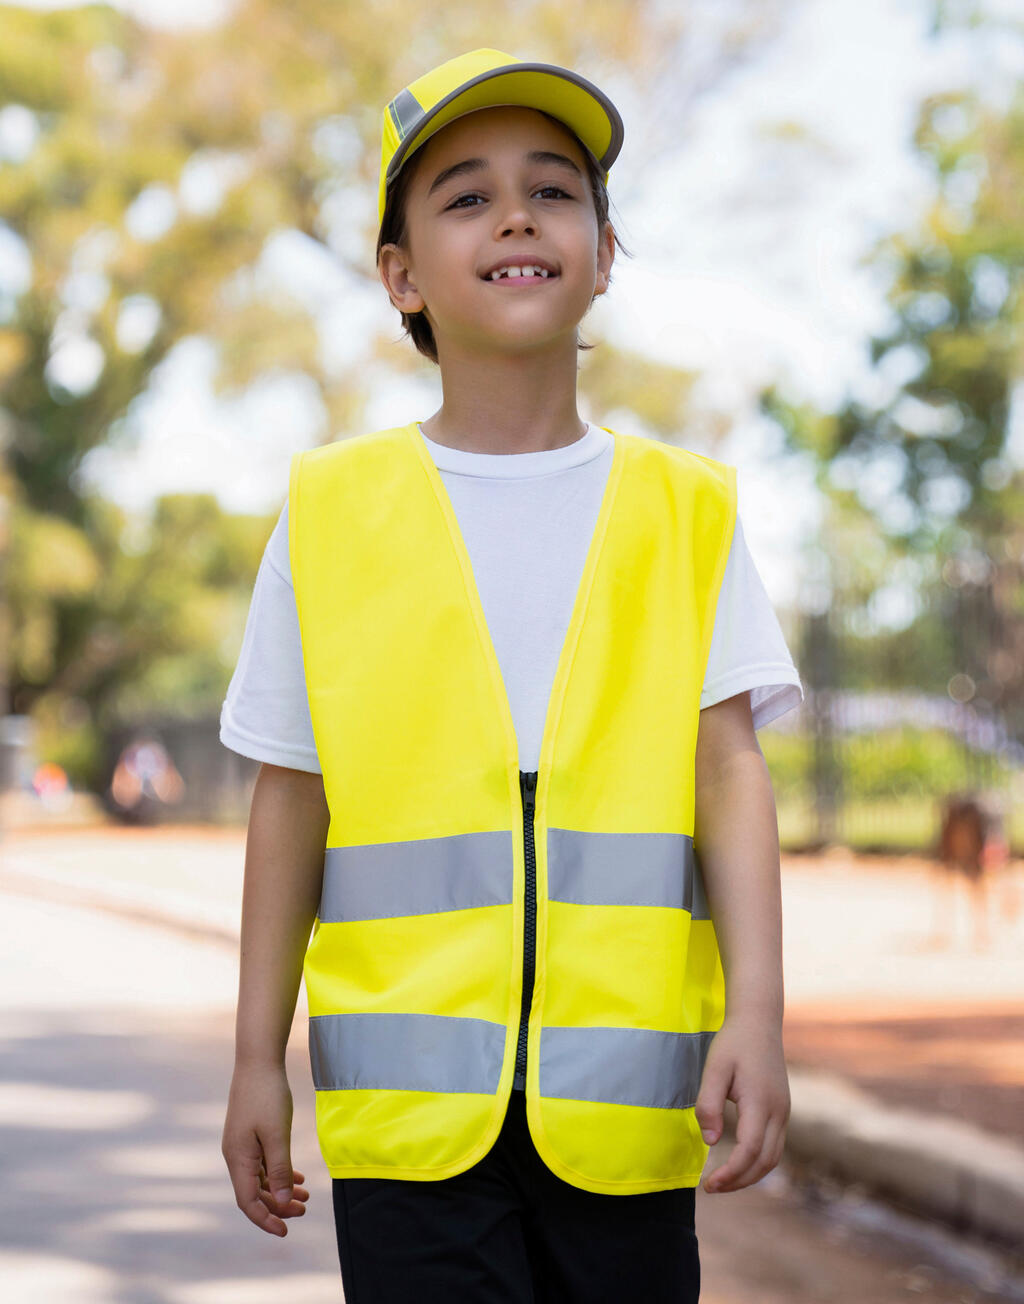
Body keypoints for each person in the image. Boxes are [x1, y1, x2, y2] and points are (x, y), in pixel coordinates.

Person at [220, 46, 804, 1303]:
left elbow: (728, 767)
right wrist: (253, 1056)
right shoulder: (329, 512)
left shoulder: (685, 509)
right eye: (465, 196)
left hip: (627, 1115)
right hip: (409, 1131)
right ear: (401, 276)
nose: (517, 216)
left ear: (603, 250)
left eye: (554, 188)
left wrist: (755, 1016)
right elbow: (292, 794)